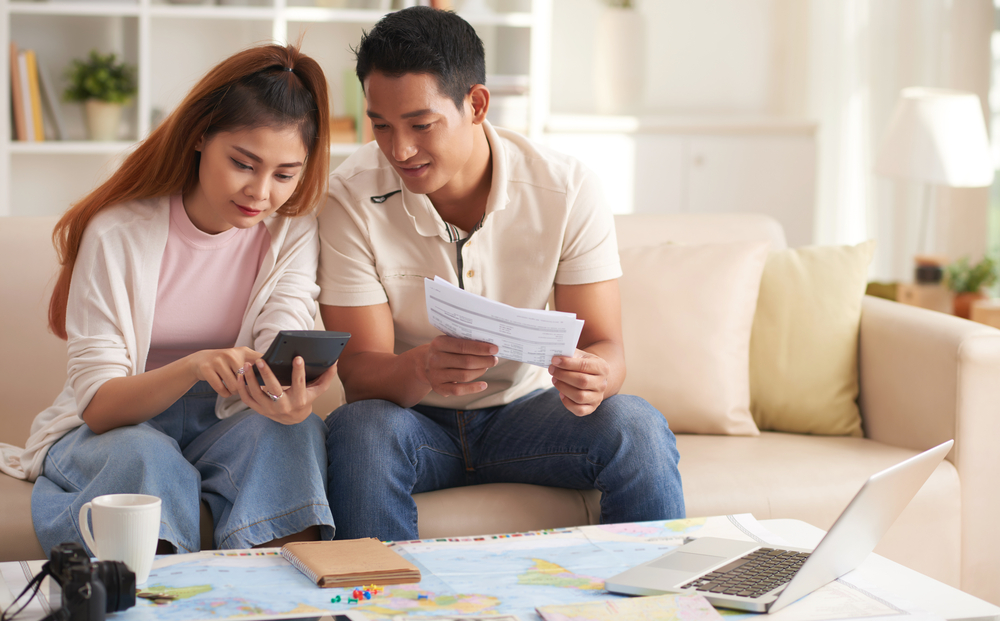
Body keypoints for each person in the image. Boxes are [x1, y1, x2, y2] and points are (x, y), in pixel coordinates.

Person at [317, 6, 685, 543]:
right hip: (415, 423)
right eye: (381, 126)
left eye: (421, 125)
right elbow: (360, 374)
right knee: (360, 430)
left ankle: (656, 618)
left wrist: (595, 377)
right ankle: (379, 618)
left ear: (477, 105)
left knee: (636, 425)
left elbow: (607, 346)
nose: (400, 149)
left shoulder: (566, 189)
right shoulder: (348, 198)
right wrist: (421, 367)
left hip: (529, 414)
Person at [0, 44, 338, 555]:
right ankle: (151, 619)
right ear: (200, 135)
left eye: (284, 174)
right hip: (121, 424)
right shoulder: (118, 231)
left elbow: (281, 322)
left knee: (294, 434)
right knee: (146, 454)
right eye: (243, 163)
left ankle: (274, 617)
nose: (260, 193)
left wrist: (288, 391)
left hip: (223, 420)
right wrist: (194, 367)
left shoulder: (291, 231)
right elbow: (98, 405)